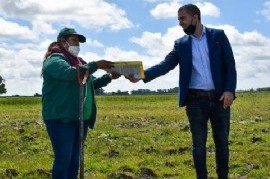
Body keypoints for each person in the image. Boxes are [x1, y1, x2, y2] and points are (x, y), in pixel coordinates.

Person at [127, 4, 236, 179]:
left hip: (220, 99)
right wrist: (141, 75)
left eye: (182, 18)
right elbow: (165, 65)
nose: (180, 23)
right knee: (198, 145)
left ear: (196, 17)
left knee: (222, 143)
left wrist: (230, 90)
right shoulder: (181, 44)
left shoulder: (219, 36)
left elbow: (230, 65)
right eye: (179, 19)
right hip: (195, 101)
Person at [41, 27, 121, 179]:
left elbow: (89, 83)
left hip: (78, 116)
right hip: (60, 116)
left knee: (74, 159)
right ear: (62, 42)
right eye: (74, 40)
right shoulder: (54, 60)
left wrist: (109, 77)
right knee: (64, 158)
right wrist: (96, 65)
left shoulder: (79, 63)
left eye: (79, 42)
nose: (77, 45)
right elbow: (69, 73)